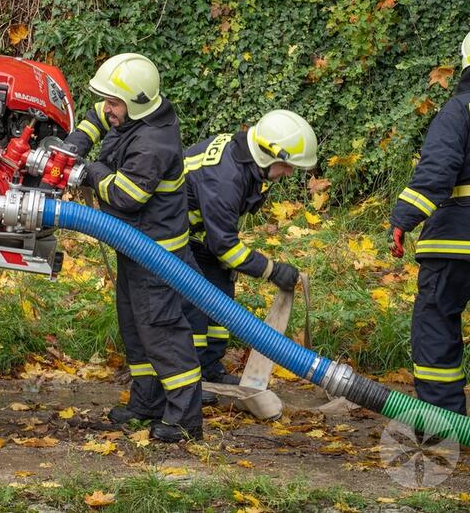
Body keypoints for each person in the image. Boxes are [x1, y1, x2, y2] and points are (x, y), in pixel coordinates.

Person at [63, 53, 203, 442]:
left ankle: (184, 420)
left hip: (156, 255)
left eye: (114, 103)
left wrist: (89, 171)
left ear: (135, 103)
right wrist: (75, 144)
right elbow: (97, 114)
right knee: (135, 328)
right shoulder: (135, 113)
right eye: (109, 101)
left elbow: (126, 196)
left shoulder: (153, 143)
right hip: (136, 246)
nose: (107, 109)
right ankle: (146, 403)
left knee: (161, 331)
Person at [389, 17, 470, 423]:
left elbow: (437, 171)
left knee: (436, 326)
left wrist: (404, 218)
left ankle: (441, 425)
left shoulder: (460, 110)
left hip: (454, 244)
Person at [182, 110, 318, 384]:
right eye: (286, 165)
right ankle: (189, 382)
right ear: (267, 154)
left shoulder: (246, 159)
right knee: (194, 305)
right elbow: (225, 247)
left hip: (200, 235)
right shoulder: (225, 178)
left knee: (220, 297)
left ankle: (210, 371)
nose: (289, 172)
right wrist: (272, 270)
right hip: (171, 236)